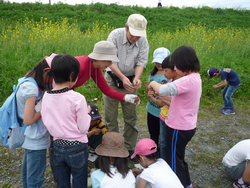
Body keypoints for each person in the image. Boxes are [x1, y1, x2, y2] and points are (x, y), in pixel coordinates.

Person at [47, 41, 140, 186]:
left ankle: (61, 178)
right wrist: (85, 113)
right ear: (100, 57)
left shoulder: (94, 68)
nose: (109, 64)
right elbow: (60, 87)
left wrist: (126, 97)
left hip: (67, 104)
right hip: (62, 102)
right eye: (108, 61)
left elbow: (105, 89)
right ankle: (57, 178)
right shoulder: (80, 65)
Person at [148, 45, 202, 188]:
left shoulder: (188, 80)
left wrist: (152, 83)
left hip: (179, 127)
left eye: (176, 65)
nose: (175, 68)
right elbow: (174, 95)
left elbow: (163, 88)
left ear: (184, 63)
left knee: (173, 161)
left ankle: (177, 184)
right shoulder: (195, 78)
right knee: (177, 158)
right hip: (185, 125)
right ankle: (187, 184)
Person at [41, 54, 91, 188]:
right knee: (79, 181)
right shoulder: (77, 98)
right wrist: (87, 114)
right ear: (71, 76)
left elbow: (46, 119)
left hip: (57, 145)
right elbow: (83, 128)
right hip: (77, 147)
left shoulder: (46, 96)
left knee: (62, 182)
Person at [103, 13, 149, 157]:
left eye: (138, 36)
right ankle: (114, 146)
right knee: (111, 116)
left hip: (130, 81)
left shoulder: (143, 41)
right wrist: (122, 77)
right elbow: (110, 61)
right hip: (112, 78)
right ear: (126, 27)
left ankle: (129, 148)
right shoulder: (115, 36)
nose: (135, 38)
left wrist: (136, 79)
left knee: (131, 116)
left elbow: (141, 62)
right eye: (133, 34)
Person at [17, 56, 52, 187]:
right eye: (52, 78)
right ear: (46, 71)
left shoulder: (27, 80)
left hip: (30, 137)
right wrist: (47, 109)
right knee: (35, 180)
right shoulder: (31, 88)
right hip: (36, 140)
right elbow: (28, 120)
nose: (52, 82)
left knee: (28, 176)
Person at [145, 47, 171, 153]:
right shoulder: (152, 74)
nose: (159, 64)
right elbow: (149, 85)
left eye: (161, 62)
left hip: (162, 112)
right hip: (151, 109)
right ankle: (153, 153)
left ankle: (162, 154)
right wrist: (148, 89)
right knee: (152, 132)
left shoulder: (169, 77)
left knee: (163, 136)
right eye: (157, 61)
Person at [158, 55, 180, 160]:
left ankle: (171, 163)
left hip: (173, 121)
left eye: (166, 70)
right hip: (163, 116)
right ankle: (163, 162)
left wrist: (163, 100)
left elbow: (177, 106)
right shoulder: (168, 84)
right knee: (163, 143)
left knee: (172, 145)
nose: (164, 73)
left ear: (175, 69)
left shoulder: (179, 86)